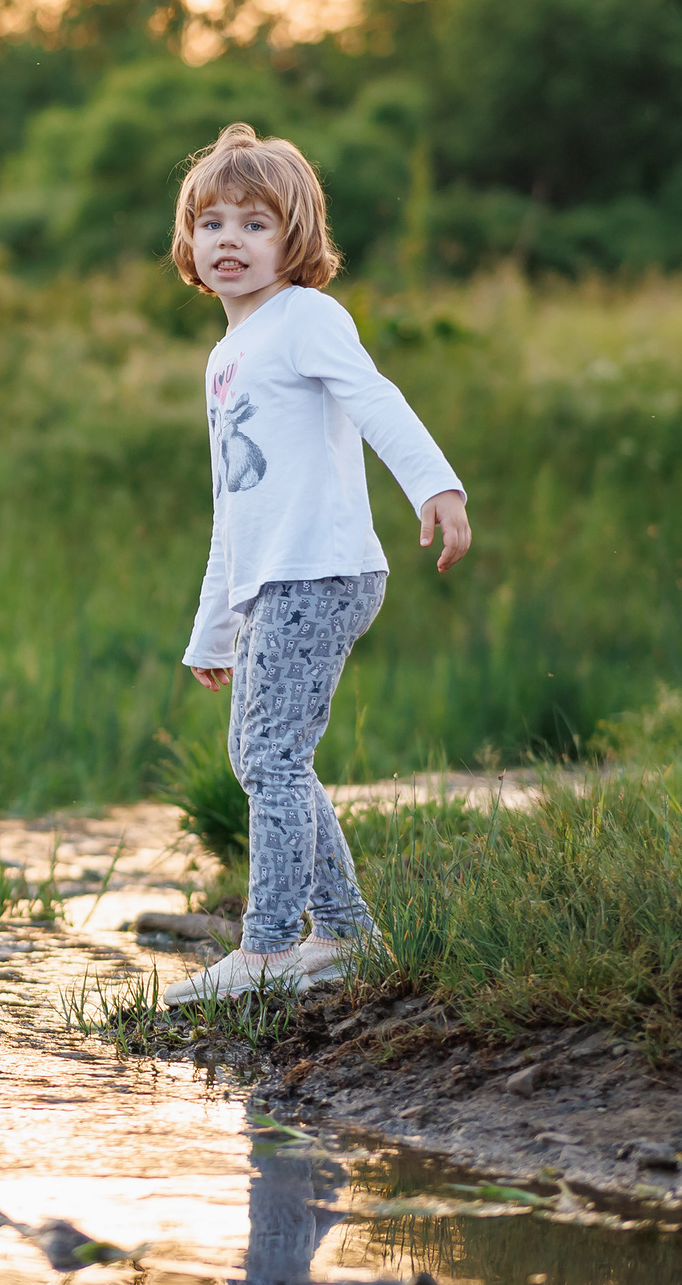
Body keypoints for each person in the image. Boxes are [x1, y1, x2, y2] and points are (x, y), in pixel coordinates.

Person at [161, 122, 471, 1007]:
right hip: (270, 579)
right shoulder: (225, 357)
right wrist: (213, 627)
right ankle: (345, 933)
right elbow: (235, 505)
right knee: (265, 758)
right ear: (190, 242)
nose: (231, 241)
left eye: (255, 224)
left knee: (273, 756)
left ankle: (265, 951)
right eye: (212, 223)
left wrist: (434, 486)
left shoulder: (307, 318)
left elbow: (377, 399)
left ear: (294, 239)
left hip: (323, 569)